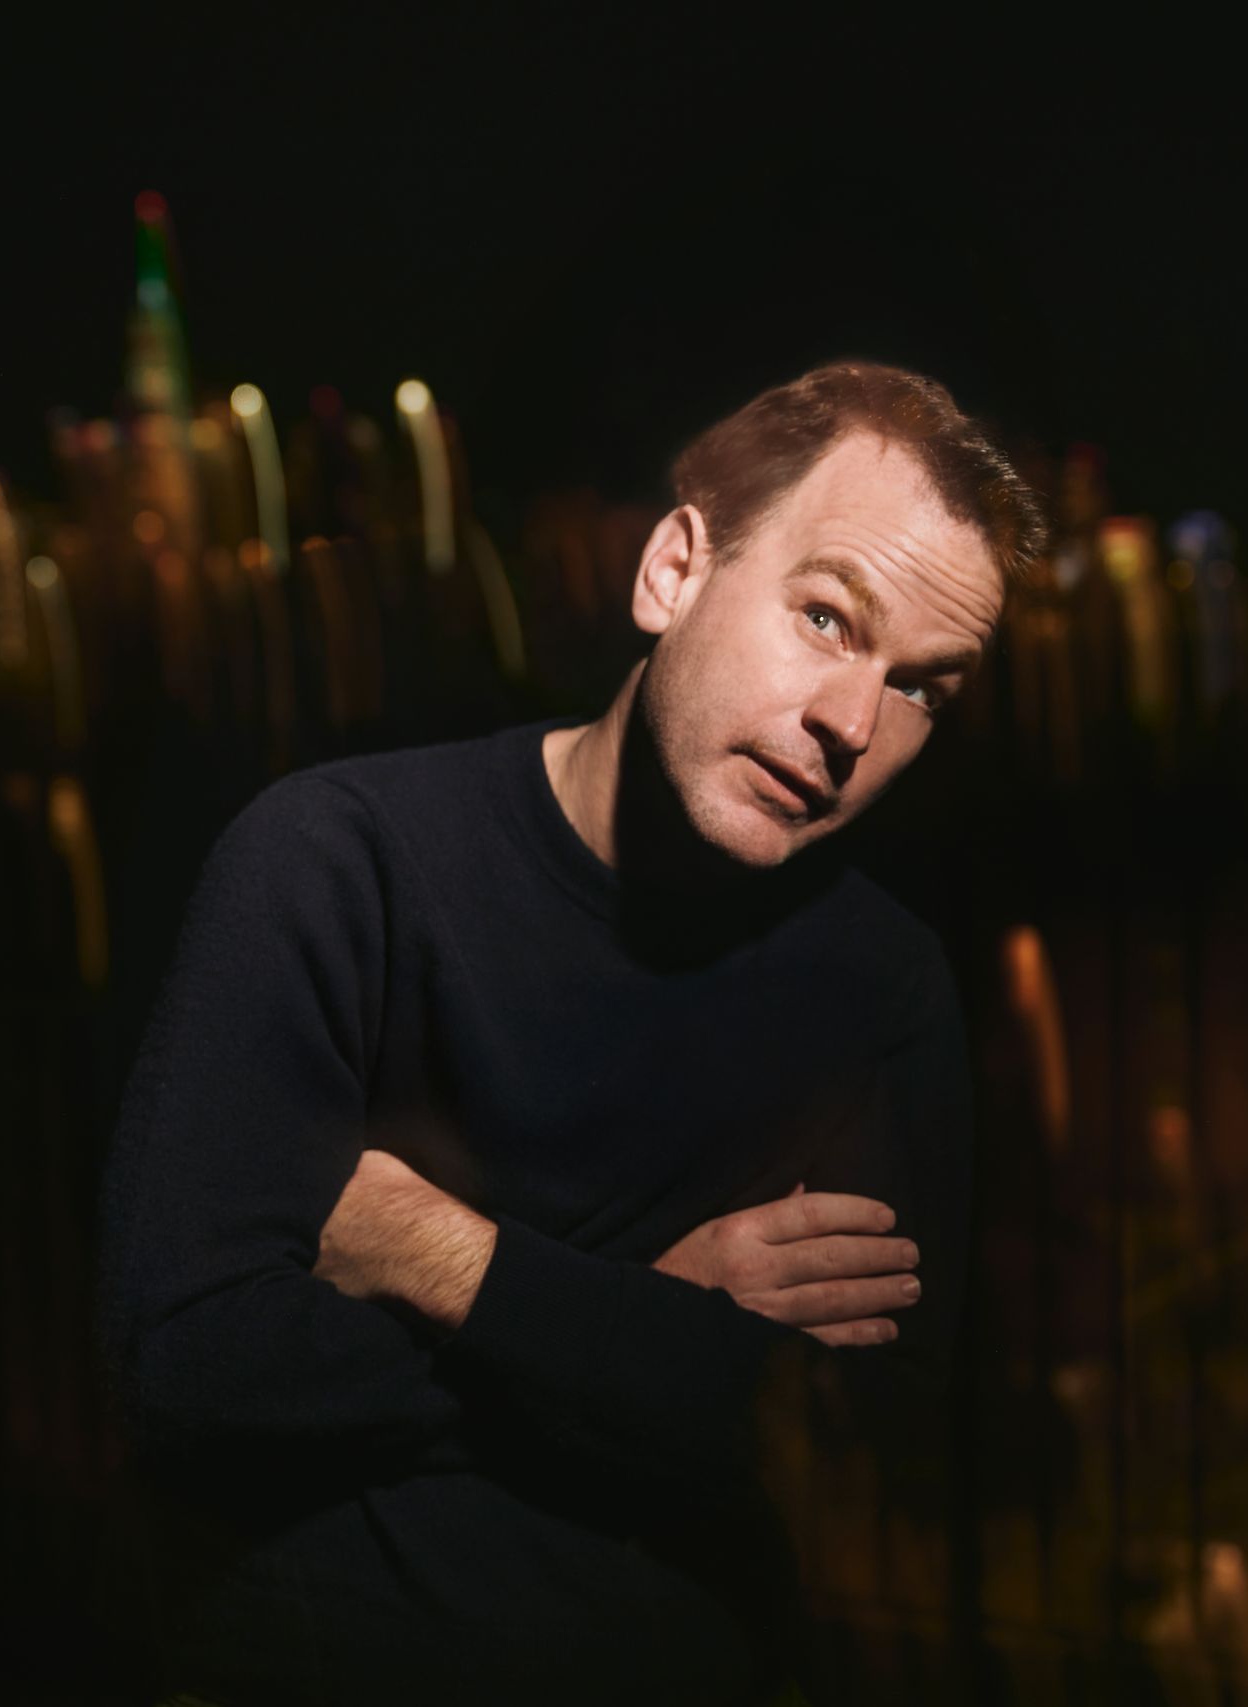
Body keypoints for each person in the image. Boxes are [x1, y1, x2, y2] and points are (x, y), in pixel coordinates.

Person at [95, 359, 1047, 1706]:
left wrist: (444, 1257)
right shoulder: (338, 865)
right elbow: (182, 1368)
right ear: (674, 570)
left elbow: (850, 1459)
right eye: (828, 617)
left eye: (923, 689)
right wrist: (663, 1321)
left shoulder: (879, 988)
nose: (851, 723)